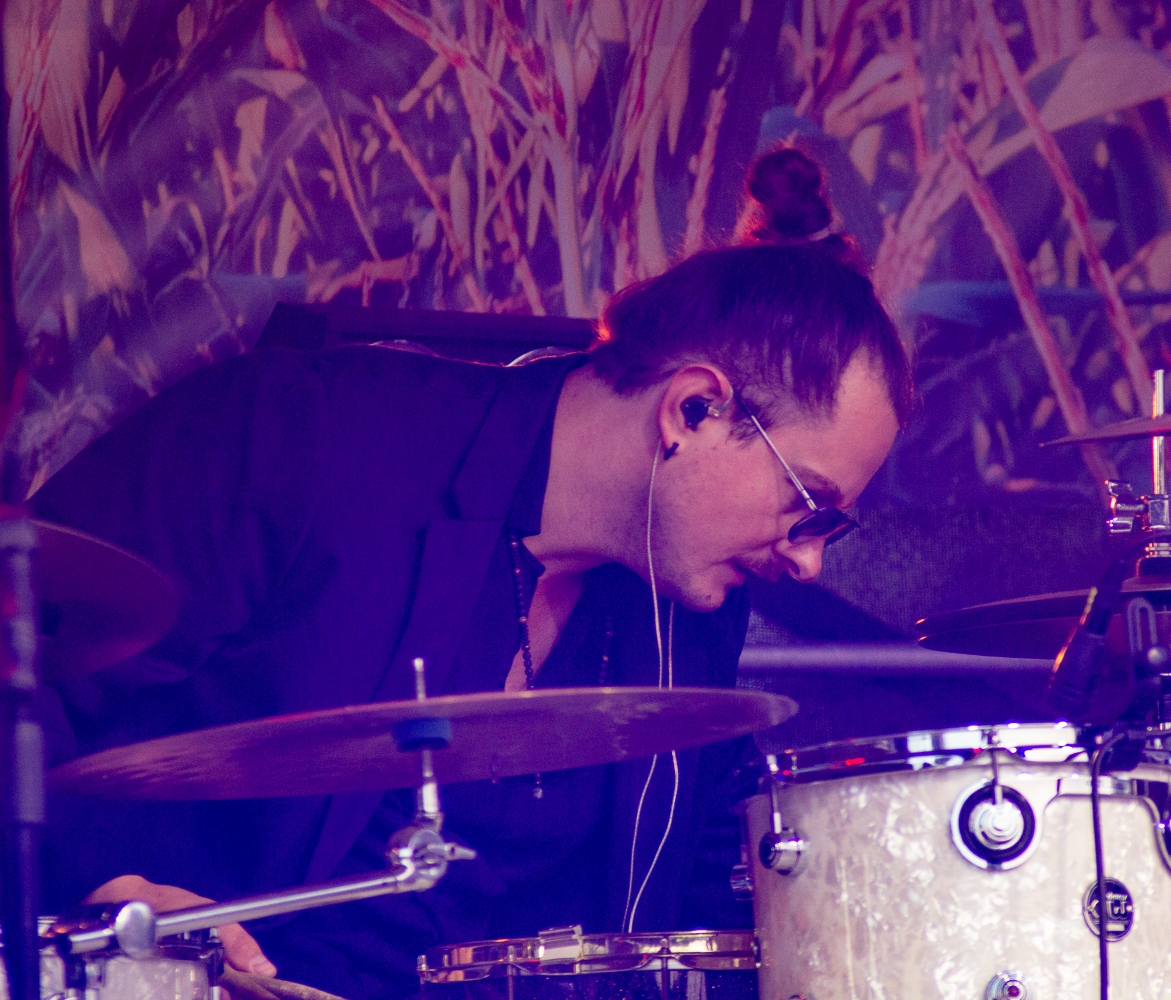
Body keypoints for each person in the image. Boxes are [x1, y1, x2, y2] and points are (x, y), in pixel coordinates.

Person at [34, 148, 911, 999]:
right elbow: (17, 675)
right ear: (693, 408)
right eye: (809, 504)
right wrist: (110, 886)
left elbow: (709, 893)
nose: (807, 559)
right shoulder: (295, 438)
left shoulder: (691, 609)